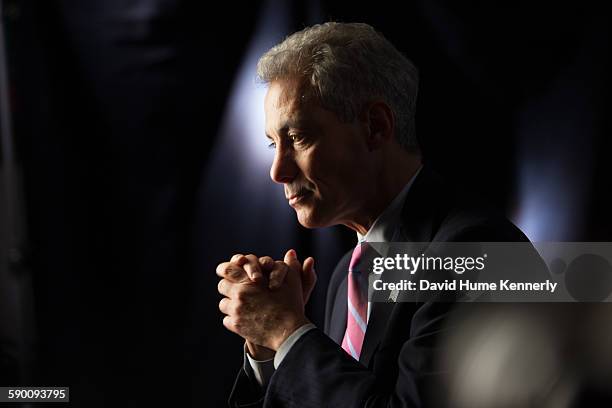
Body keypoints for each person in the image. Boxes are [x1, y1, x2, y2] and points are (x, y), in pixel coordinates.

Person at [216, 22, 530, 407]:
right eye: (272, 144)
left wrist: (288, 332)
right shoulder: (345, 274)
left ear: (375, 127)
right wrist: (267, 348)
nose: (277, 171)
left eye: (297, 138)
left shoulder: (486, 252)